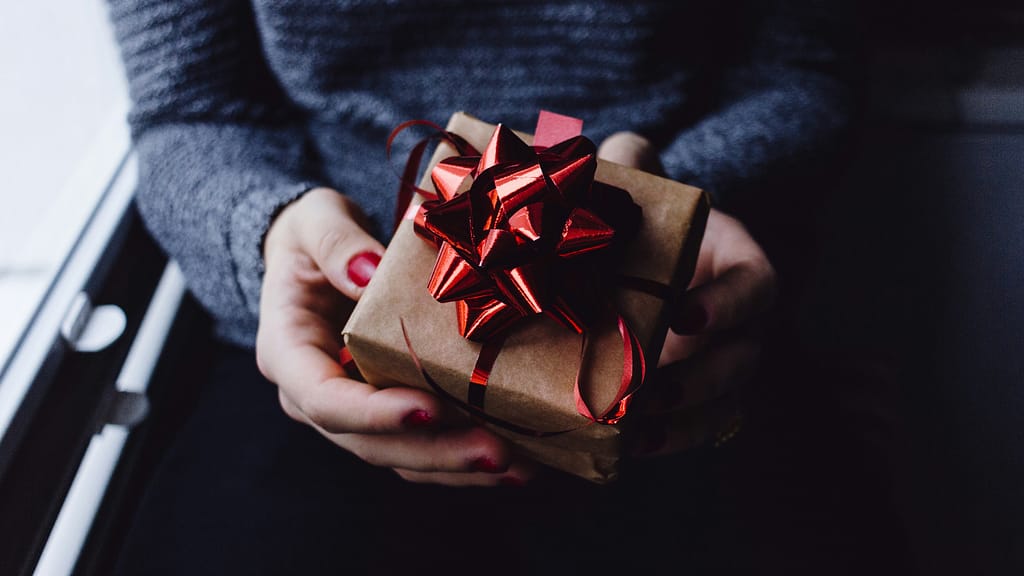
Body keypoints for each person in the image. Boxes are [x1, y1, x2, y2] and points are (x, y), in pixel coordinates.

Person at [105, 0, 850, 573]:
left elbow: (801, 72)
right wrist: (264, 233)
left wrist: (673, 216)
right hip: (336, 319)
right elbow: (188, 109)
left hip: (676, 318)